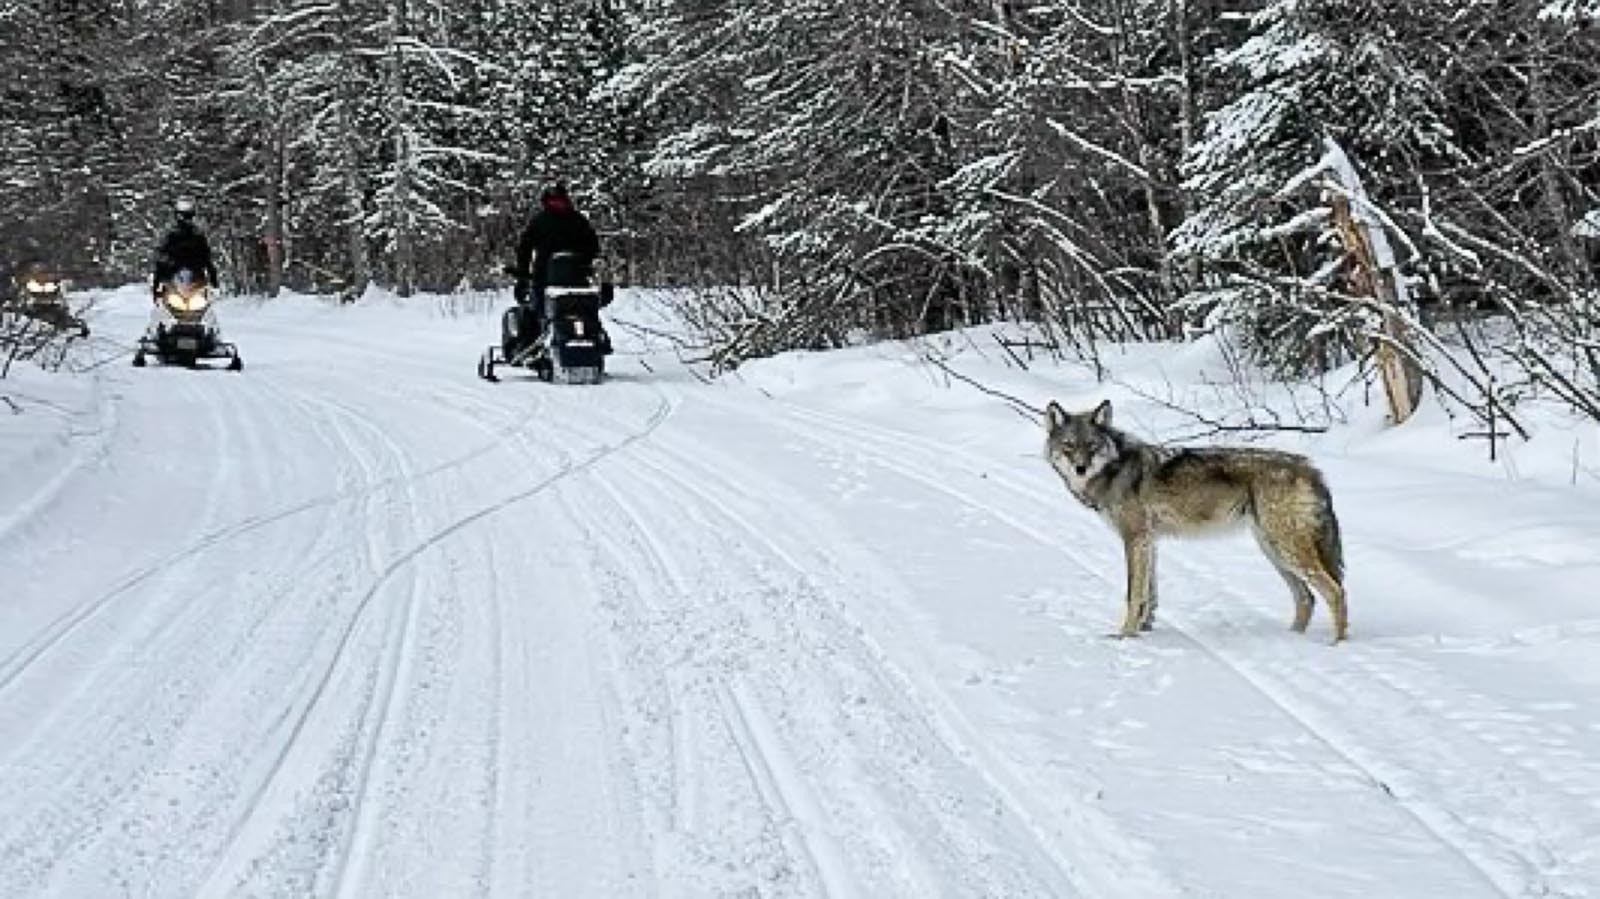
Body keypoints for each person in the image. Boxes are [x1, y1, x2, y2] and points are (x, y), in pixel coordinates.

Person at [514, 182, 599, 336]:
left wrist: (522, 275)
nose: (557, 204)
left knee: (536, 313)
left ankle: (537, 337)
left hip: (551, 279)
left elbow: (524, 249)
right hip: (573, 279)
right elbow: (593, 247)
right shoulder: (578, 220)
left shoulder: (541, 221)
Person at [152, 197, 220, 297]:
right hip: (174, 283)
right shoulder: (170, 236)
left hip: (196, 283)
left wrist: (214, 283)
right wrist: (157, 285)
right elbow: (161, 261)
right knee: (163, 306)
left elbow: (207, 260)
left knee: (207, 308)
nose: (185, 220)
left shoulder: (198, 237)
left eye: (188, 216)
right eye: (183, 216)